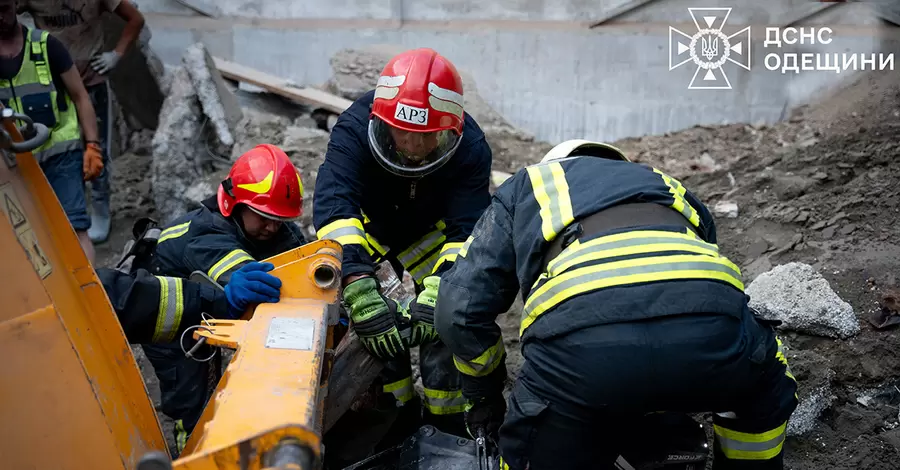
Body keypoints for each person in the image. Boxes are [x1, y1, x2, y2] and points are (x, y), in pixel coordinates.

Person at [434, 140, 799, 470]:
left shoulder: (531, 183)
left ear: (555, 164)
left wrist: (484, 396)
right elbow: (691, 285)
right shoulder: (667, 185)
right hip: (716, 334)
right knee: (765, 384)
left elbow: (458, 312)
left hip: (578, 354)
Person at [312, 47, 493, 441]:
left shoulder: (471, 146)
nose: (411, 146)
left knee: (451, 321)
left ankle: (448, 427)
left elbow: (469, 230)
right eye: (402, 132)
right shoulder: (354, 127)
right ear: (382, 121)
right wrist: (358, 283)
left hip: (434, 235)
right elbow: (334, 205)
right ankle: (392, 417)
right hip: (369, 231)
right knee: (363, 324)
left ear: (448, 130)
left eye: (425, 137)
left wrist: (442, 292)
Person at [144, 143, 308, 454]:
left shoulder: (269, 224)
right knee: (192, 394)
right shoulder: (207, 237)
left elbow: (299, 262)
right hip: (166, 310)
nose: (273, 227)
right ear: (235, 205)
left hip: (206, 300)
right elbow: (250, 283)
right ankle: (191, 449)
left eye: (279, 218)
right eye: (263, 217)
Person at [19, 0, 147, 243]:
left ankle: (99, 207)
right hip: (51, 84)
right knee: (56, 149)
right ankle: (63, 208)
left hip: (92, 81)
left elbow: (135, 18)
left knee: (96, 148)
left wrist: (116, 54)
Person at [0, 0, 101, 262]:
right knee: (26, 239)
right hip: (13, 165)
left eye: (4, 8)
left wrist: (92, 145)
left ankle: (91, 295)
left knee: (75, 227)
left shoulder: (46, 46)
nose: (0, 17)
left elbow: (80, 96)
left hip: (60, 155)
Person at [98, 261, 283, 344]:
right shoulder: (207, 233)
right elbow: (130, 301)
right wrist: (221, 303)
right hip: (167, 335)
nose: (271, 227)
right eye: (262, 217)